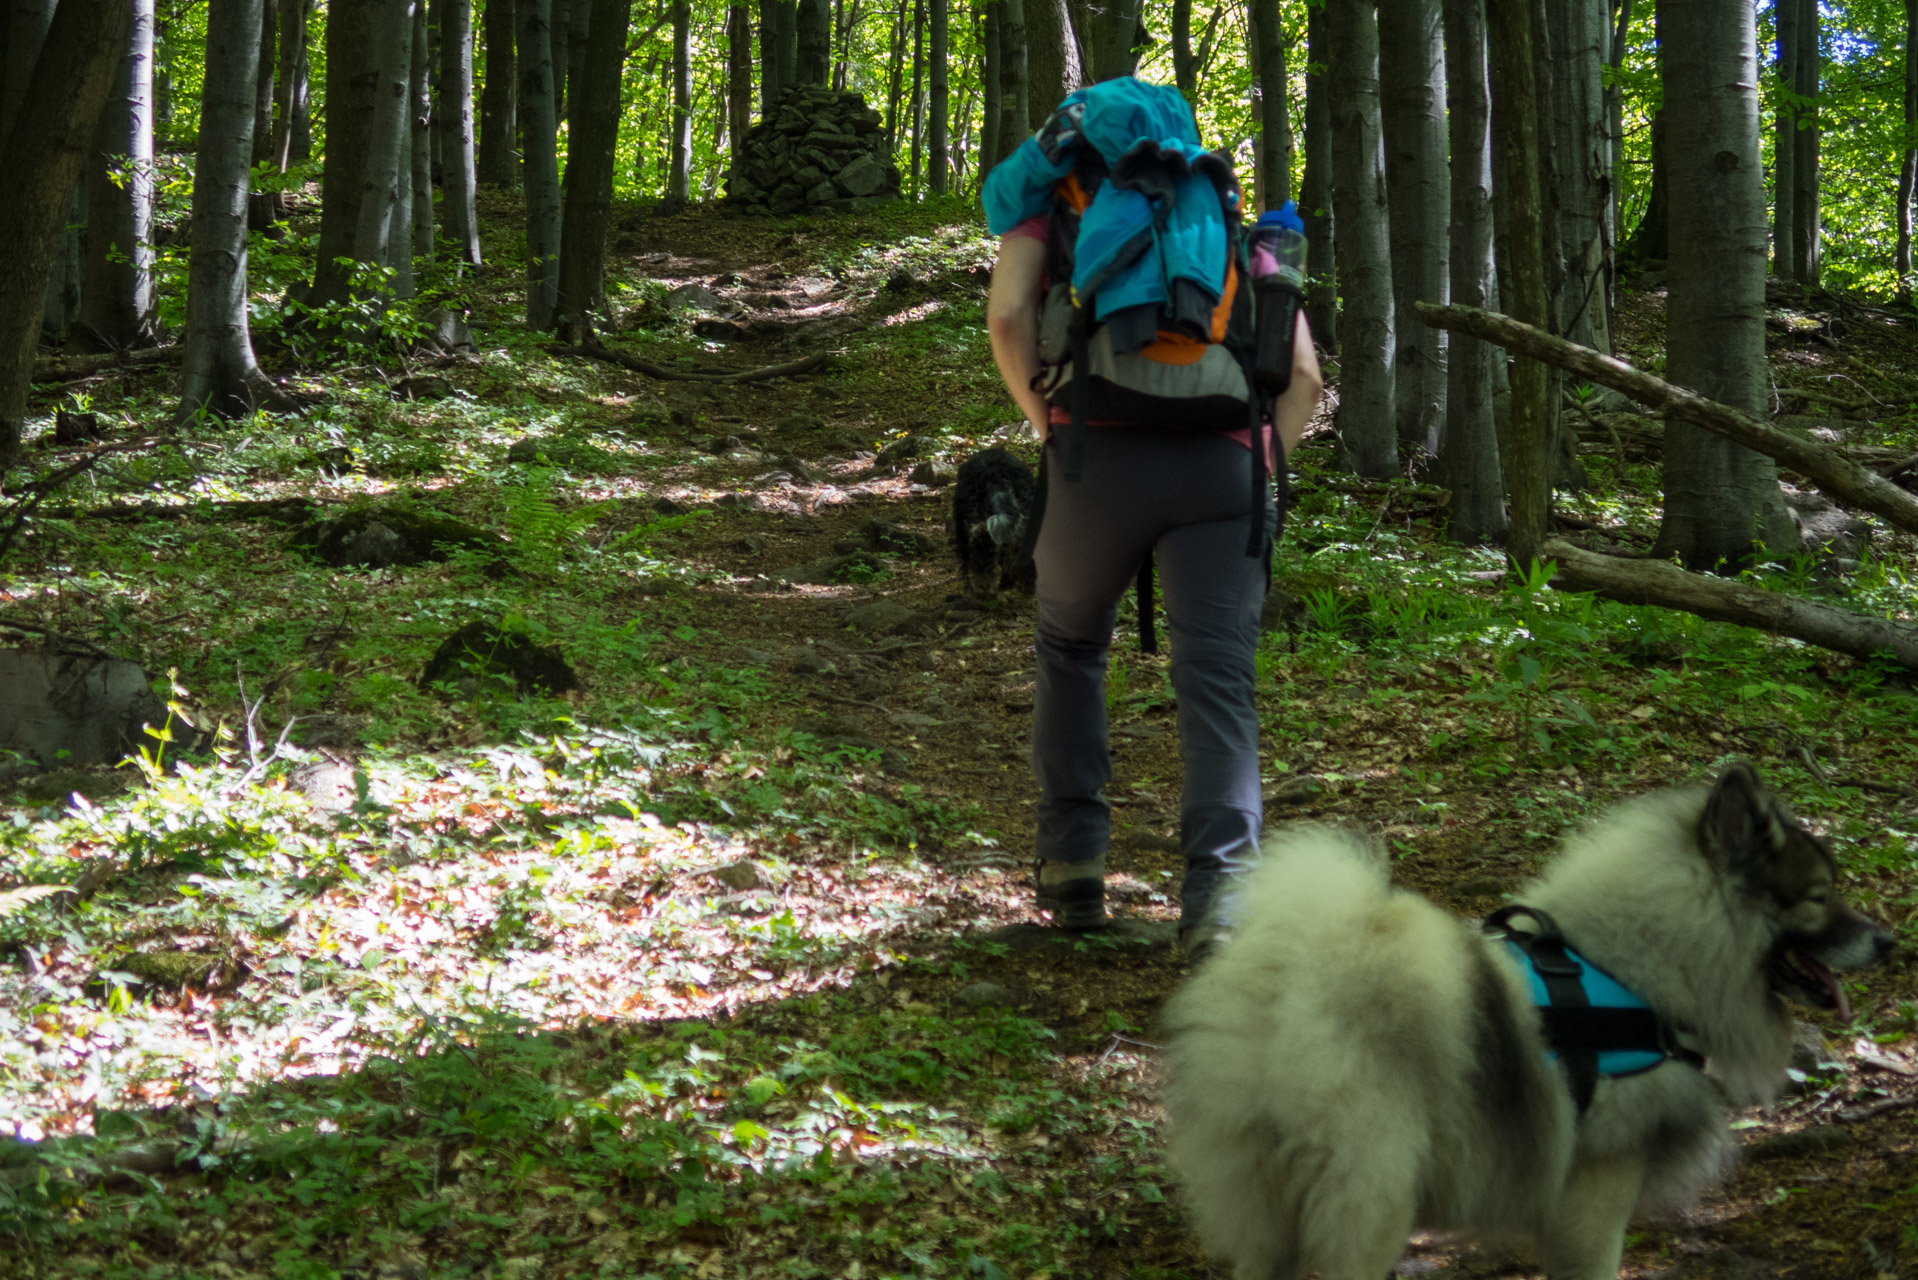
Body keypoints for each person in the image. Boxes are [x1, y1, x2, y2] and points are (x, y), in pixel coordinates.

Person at [985, 188, 1323, 953]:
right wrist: (1260, 467)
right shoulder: (1229, 228)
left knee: (1070, 650)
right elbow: (1303, 377)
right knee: (1218, 680)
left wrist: (1050, 428)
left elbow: (1008, 319)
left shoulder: (1060, 214)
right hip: (1225, 471)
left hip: (1093, 460)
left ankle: (1073, 870)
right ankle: (1222, 900)